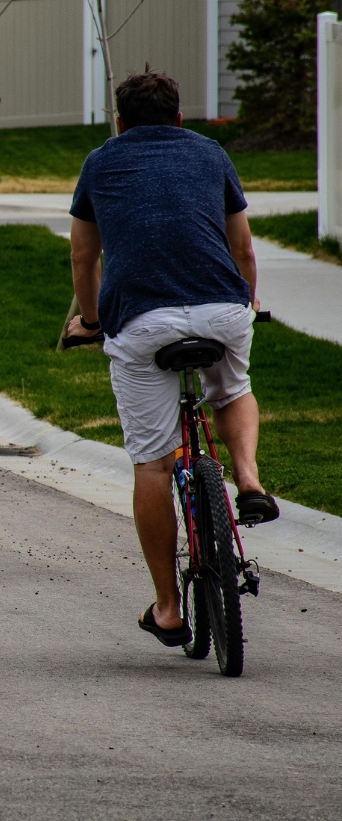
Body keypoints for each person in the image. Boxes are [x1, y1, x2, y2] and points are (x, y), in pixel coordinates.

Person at [67, 69, 279, 648]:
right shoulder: (211, 154)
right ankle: (250, 480)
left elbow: (84, 257)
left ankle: (166, 607)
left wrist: (89, 320)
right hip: (222, 311)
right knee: (232, 389)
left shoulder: (100, 161)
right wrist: (247, 300)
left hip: (141, 321)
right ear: (179, 118)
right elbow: (242, 248)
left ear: (120, 122)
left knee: (153, 464)